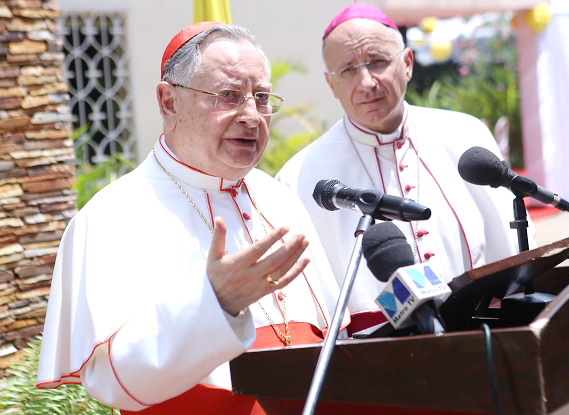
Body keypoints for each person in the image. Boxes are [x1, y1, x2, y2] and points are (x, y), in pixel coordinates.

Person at [36, 22, 348, 414]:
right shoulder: (110, 217)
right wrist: (215, 304)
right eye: (228, 96)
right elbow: (110, 382)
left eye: (262, 97)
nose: (252, 116)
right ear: (169, 103)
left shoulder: (280, 197)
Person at [277, 3, 528, 336]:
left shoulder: (464, 134)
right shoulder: (301, 176)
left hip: (482, 333)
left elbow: (507, 252)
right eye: (348, 70)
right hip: (377, 357)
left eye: (378, 62)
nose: (366, 82)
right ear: (330, 84)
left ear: (407, 63)